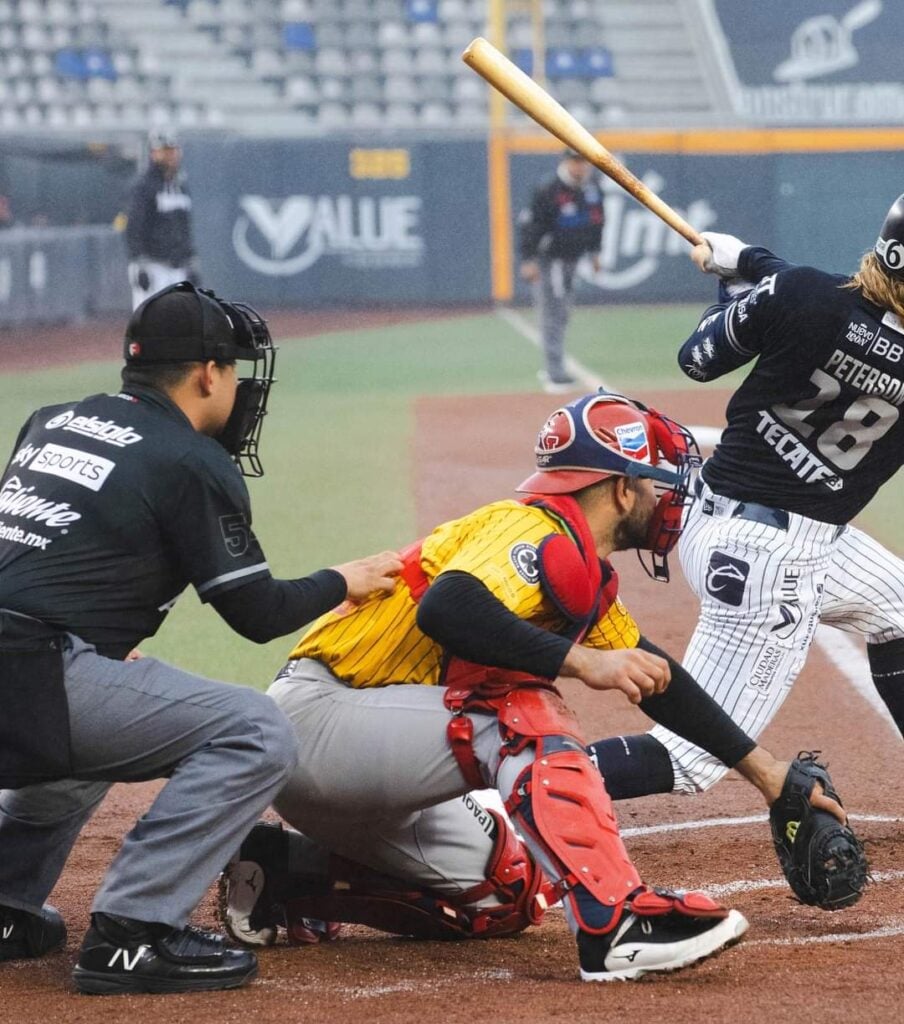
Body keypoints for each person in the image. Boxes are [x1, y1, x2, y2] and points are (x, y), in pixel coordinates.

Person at [219, 391, 825, 982]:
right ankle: (615, 924)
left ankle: (285, 874)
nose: (666, 500)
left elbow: (656, 676)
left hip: (372, 756)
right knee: (516, 707)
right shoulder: (527, 528)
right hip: (320, 717)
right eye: (653, 483)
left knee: (507, 893)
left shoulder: (579, 563)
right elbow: (449, 608)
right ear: (619, 487)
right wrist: (581, 661)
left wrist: (765, 774)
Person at [0, 281, 401, 994]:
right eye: (235, 372)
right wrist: (343, 579)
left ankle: (4, 906)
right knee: (256, 731)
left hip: (29, 672)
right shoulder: (190, 459)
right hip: (24, 676)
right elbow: (255, 614)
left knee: (90, 729)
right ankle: (134, 933)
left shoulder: (51, 420)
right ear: (209, 373)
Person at [589, 195, 904, 803]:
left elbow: (699, 359)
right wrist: (755, 267)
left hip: (717, 519)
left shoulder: (802, 293)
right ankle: (499, 796)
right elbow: (862, 332)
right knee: (691, 758)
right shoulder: (801, 292)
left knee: (898, 606)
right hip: (773, 563)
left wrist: (742, 286)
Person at [518, 149, 604, 394]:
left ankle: (554, 369)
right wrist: (528, 258)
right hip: (550, 259)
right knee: (553, 314)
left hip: (572, 259)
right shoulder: (549, 189)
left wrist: (595, 252)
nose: (580, 167)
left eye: (583, 162)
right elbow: (530, 225)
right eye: (575, 161)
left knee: (563, 313)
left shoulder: (592, 189)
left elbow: (598, 221)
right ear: (565, 162)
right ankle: (554, 372)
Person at [125, 130, 198, 310]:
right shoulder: (143, 186)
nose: (171, 155)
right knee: (148, 325)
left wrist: (191, 260)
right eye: (165, 150)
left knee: (180, 326)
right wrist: (138, 261)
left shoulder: (180, 186)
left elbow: (184, 227)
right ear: (154, 153)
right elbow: (134, 226)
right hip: (152, 265)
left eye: (173, 150)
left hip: (177, 267)